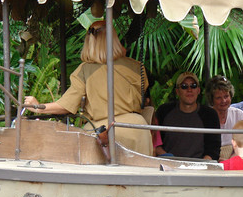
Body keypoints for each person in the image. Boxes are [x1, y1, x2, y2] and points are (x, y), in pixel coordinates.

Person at [23, 20, 153, 156]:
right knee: (142, 173)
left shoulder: (84, 70)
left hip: (103, 131)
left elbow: (67, 105)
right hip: (138, 129)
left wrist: (38, 107)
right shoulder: (136, 66)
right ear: (114, 39)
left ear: (89, 41)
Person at [155, 72, 220, 160]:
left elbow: (213, 149)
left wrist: (203, 166)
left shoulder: (210, 115)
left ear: (198, 90)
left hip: (199, 167)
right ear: (177, 91)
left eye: (193, 86)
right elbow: (155, 143)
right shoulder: (164, 111)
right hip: (168, 165)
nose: (189, 90)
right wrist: (169, 160)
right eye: (184, 86)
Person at [207, 75, 243, 160]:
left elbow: (241, 145)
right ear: (212, 99)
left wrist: (228, 162)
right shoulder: (206, 115)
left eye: (226, 96)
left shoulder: (238, 114)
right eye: (218, 98)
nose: (223, 101)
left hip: (233, 159)